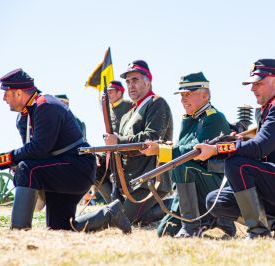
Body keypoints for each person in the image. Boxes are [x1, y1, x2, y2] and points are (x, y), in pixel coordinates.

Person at [195, 59, 275, 239]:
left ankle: (258, 232)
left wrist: (216, 150)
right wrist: (237, 140)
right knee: (215, 201)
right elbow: (259, 143)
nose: (252, 89)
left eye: (258, 83)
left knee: (237, 164)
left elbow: (259, 147)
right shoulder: (270, 109)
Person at [0, 68, 97, 230]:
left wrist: (0, 160)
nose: (3, 98)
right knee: (60, 228)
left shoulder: (46, 106)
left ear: (19, 93)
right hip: (59, 170)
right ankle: (109, 214)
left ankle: (18, 231)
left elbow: (38, 150)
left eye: (6, 93)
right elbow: (31, 153)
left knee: (26, 169)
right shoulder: (24, 117)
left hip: (77, 169)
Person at [73, 60, 173, 231]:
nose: (130, 85)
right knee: (93, 167)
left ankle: (172, 206)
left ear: (147, 81)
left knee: (122, 218)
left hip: (148, 181)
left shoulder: (157, 103)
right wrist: (100, 157)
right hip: (128, 182)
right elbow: (117, 148)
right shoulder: (128, 114)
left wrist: (118, 141)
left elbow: (152, 138)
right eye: (128, 82)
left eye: (135, 80)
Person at [142, 72, 236, 238]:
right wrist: (163, 148)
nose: (183, 99)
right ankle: (215, 219)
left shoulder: (214, 118)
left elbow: (192, 152)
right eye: (182, 95)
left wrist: (160, 150)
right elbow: (182, 147)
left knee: (182, 163)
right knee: (164, 232)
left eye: (188, 94)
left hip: (214, 182)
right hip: (193, 183)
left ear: (205, 95)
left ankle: (192, 227)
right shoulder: (190, 119)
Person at [95, 81, 133, 203]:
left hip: (125, 149)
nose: (108, 94)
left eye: (111, 91)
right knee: (94, 167)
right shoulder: (110, 108)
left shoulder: (130, 105)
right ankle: (114, 204)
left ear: (119, 92)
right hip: (111, 149)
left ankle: (121, 207)